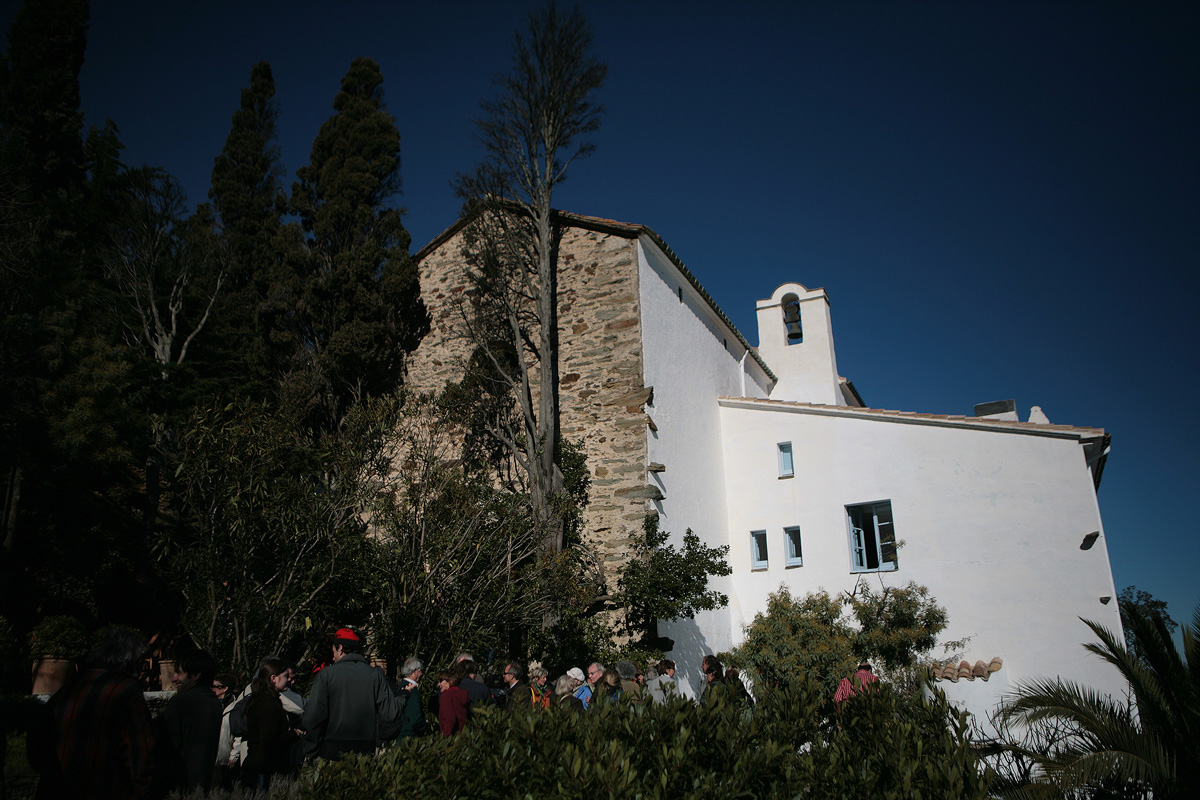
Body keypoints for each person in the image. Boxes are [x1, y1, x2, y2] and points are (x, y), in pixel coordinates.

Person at [28, 627, 155, 800]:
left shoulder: (70, 687)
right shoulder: (126, 690)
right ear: (130, 660)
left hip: (58, 788)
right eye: (140, 661)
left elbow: (37, 741)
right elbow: (140, 752)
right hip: (102, 789)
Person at [301, 627, 403, 759]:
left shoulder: (327, 675)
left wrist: (311, 750)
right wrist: (404, 696)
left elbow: (314, 716)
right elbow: (390, 713)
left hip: (332, 749)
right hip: (365, 749)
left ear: (341, 648)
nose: (333, 657)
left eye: (334, 651)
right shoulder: (374, 675)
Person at [157, 648, 222, 794]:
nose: (174, 678)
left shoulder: (182, 702)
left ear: (195, 675)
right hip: (201, 786)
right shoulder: (214, 703)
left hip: (178, 786)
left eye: (179, 673)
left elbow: (164, 746)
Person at [242, 657, 303, 791]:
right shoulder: (268, 704)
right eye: (285, 676)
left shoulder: (263, 700)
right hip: (262, 768)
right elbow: (269, 741)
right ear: (273, 678)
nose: (288, 680)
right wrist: (293, 734)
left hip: (259, 766)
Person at [395, 657, 428, 739]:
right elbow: (414, 717)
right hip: (409, 736)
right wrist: (424, 724)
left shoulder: (401, 687)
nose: (421, 674)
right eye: (420, 670)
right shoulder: (411, 691)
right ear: (415, 671)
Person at [438, 665, 470, 737]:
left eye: (441, 681)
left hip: (452, 737)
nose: (439, 684)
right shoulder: (461, 694)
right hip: (463, 735)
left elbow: (450, 719)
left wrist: (444, 736)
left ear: (450, 681)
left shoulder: (446, 695)